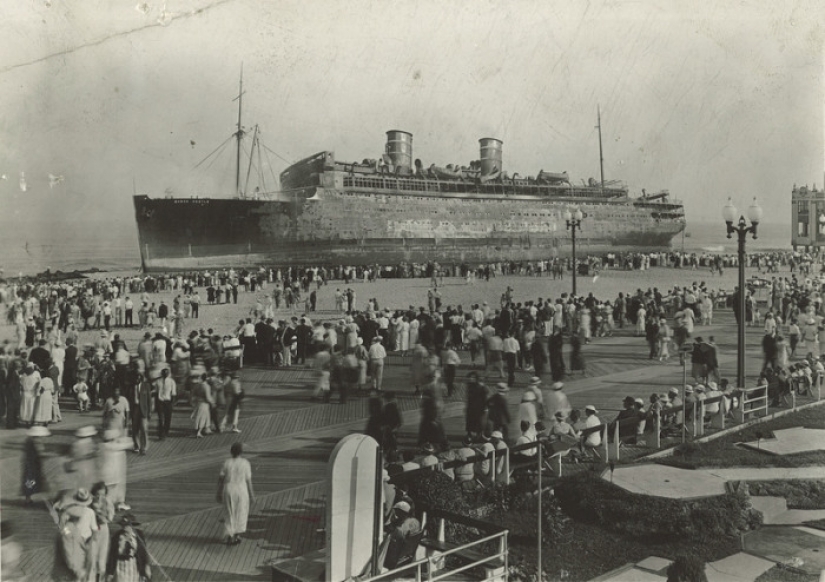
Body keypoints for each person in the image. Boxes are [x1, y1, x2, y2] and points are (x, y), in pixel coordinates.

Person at [216, 443, 255, 545]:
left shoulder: (227, 462)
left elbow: (221, 479)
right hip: (241, 489)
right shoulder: (245, 463)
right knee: (241, 512)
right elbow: (248, 481)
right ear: (241, 452)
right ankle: (237, 536)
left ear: (231, 452)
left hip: (229, 488)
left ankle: (228, 535)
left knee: (229, 512)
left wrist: (218, 492)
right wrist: (252, 495)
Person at [106, 513, 152, 582]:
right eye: (123, 525)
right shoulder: (117, 536)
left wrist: (146, 566)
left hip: (133, 566)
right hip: (120, 566)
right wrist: (110, 572)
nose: (124, 527)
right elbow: (112, 555)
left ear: (132, 525)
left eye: (127, 525)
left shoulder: (139, 535)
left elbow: (143, 552)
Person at [21, 426, 49, 505]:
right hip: (34, 464)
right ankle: (28, 497)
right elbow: (40, 453)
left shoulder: (28, 440)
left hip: (28, 463)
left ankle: (28, 496)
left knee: (29, 479)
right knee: (32, 479)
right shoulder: (37, 442)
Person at [153, 367, 176, 440]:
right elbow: (156, 392)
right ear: (162, 373)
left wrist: (172, 403)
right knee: (160, 419)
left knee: (167, 418)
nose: (165, 374)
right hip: (160, 402)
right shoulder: (158, 381)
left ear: (168, 373)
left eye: (167, 373)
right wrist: (155, 403)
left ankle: (166, 431)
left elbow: (173, 393)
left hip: (168, 401)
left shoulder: (172, 381)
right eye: (164, 373)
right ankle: (161, 434)